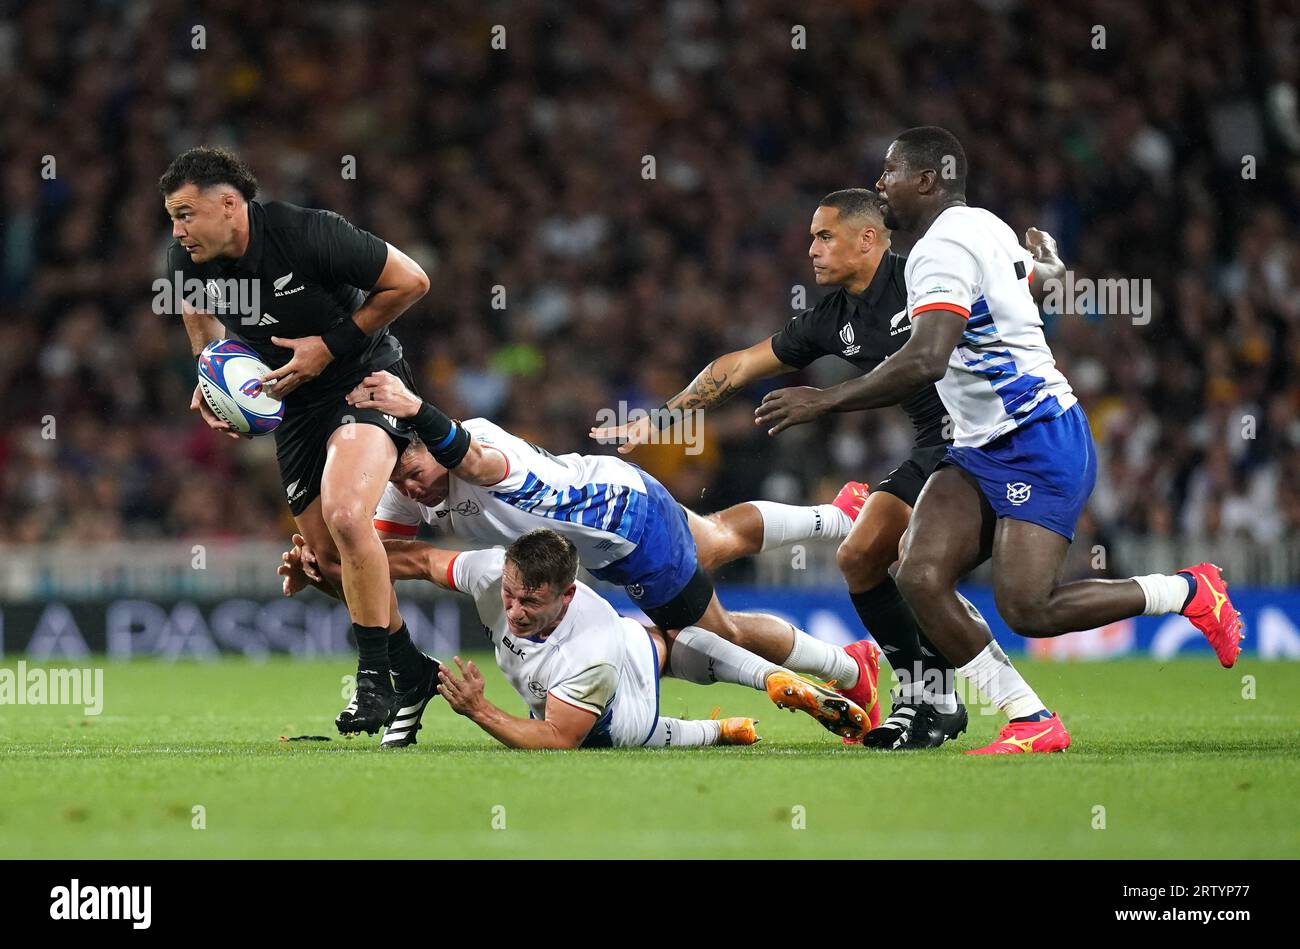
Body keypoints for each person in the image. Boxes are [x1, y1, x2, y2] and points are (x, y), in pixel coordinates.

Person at [754, 127, 1244, 754]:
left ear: (927, 180)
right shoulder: (985, 225)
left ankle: (1188, 590)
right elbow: (1022, 281)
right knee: (920, 573)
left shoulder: (937, 253)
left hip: (1038, 436)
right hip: (980, 447)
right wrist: (1052, 269)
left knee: (1027, 610)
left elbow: (928, 358)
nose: (882, 186)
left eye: (891, 173)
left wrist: (825, 398)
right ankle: (1030, 719)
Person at [592, 188, 1066, 750]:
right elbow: (741, 364)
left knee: (917, 572)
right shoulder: (833, 317)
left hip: (986, 442)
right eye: (811, 238)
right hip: (933, 449)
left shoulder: (924, 273)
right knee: (863, 557)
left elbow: (1017, 284)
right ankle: (925, 695)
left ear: (868, 239)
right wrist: (661, 420)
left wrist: (1050, 269)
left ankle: (943, 702)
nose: (811, 249)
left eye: (824, 236)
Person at [291, 368, 879, 742]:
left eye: (415, 470)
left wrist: (415, 406)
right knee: (718, 537)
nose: (411, 487)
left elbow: (468, 461)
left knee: (715, 633)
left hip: (627, 531)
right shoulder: (408, 477)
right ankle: (840, 515)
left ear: (433, 447)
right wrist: (324, 562)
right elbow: (377, 555)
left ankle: (850, 666)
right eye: (400, 477)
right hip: (608, 499)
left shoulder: (481, 449)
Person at [160, 146, 433, 736]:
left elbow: (411, 281)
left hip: (364, 378)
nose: (177, 231)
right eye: (172, 218)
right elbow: (202, 328)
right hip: (294, 402)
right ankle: (410, 672)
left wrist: (328, 345)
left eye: (185, 214)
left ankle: (372, 687)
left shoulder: (308, 234)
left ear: (229, 205)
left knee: (346, 515)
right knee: (330, 563)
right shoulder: (187, 264)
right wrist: (211, 380)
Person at [282, 526, 872, 748]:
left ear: (566, 595)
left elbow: (555, 738)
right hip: (630, 640)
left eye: (530, 604)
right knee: (670, 640)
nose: (512, 612)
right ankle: (774, 680)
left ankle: (719, 729)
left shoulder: (587, 656)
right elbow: (407, 562)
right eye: (510, 596)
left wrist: (480, 709)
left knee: (635, 734)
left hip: (613, 711)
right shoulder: (493, 571)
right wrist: (333, 568)